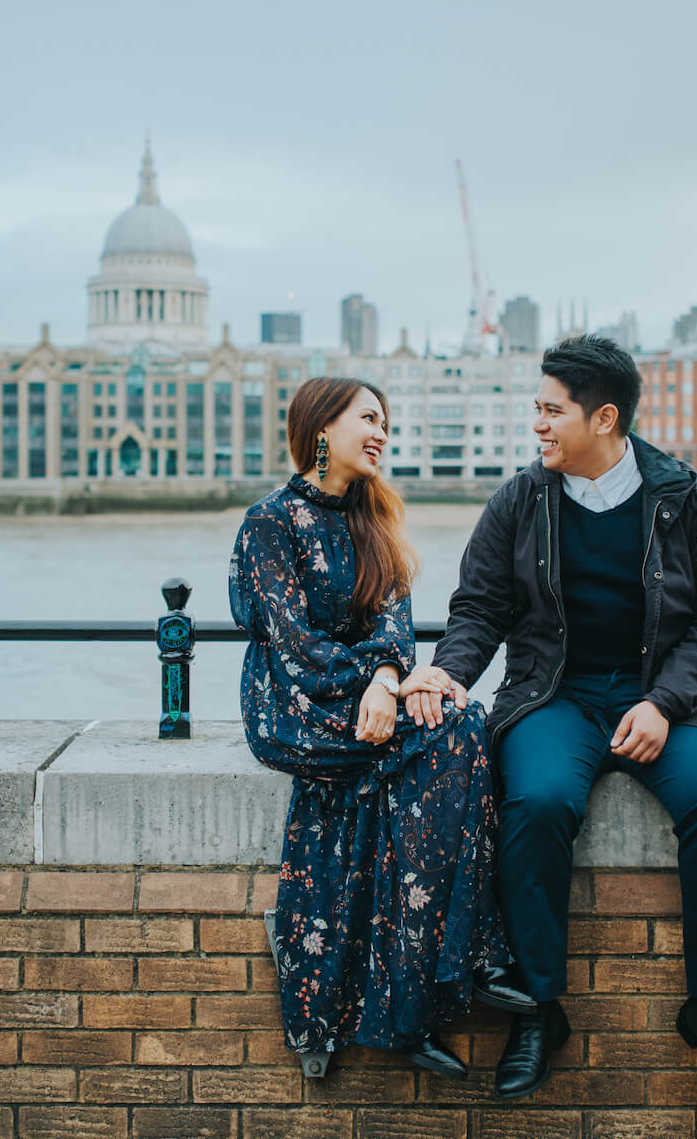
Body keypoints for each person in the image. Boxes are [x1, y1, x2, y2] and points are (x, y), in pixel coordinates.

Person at [401, 335, 697, 1103]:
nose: (536, 425)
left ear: (604, 418)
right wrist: (448, 672)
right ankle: (540, 1008)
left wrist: (664, 703)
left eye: (551, 411)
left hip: (663, 697)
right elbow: (479, 609)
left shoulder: (680, 499)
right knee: (536, 803)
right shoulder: (520, 500)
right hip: (553, 694)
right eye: (536, 409)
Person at [229, 376, 535, 1078]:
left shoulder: (374, 520)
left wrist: (391, 682)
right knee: (436, 741)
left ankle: (413, 995)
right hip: (294, 703)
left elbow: (398, 631)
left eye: (384, 423)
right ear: (320, 429)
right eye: (367, 419)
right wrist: (379, 681)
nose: (380, 434)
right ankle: (470, 960)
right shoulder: (268, 522)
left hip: (371, 696)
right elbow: (293, 641)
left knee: (459, 726)